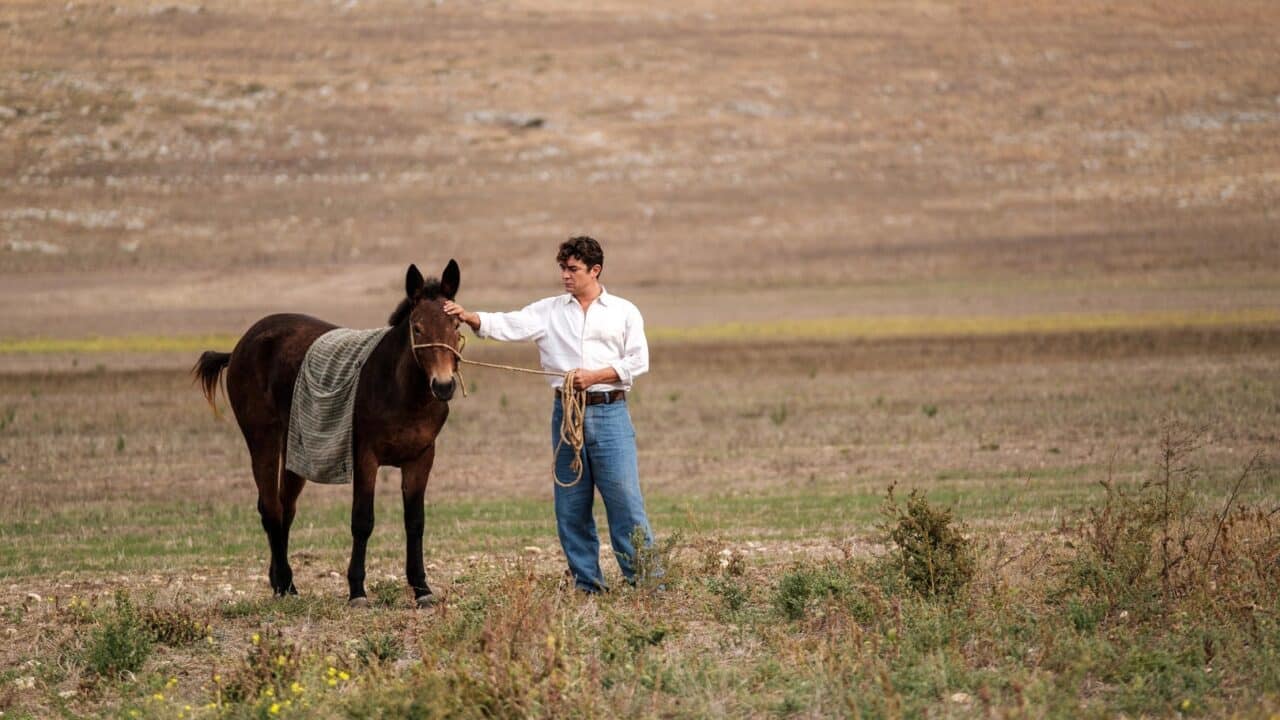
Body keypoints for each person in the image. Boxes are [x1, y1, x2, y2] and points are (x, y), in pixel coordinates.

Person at [443, 236, 657, 593]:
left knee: (625, 501)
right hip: (565, 415)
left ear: (595, 270)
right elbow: (510, 324)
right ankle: (588, 586)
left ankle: (647, 584)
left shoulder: (624, 311)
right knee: (571, 506)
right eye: (562, 268)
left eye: (572, 269)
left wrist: (594, 376)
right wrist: (470, 317)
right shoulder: (548, 311)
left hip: (610, 413)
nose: (565, 276)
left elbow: (638, 361)